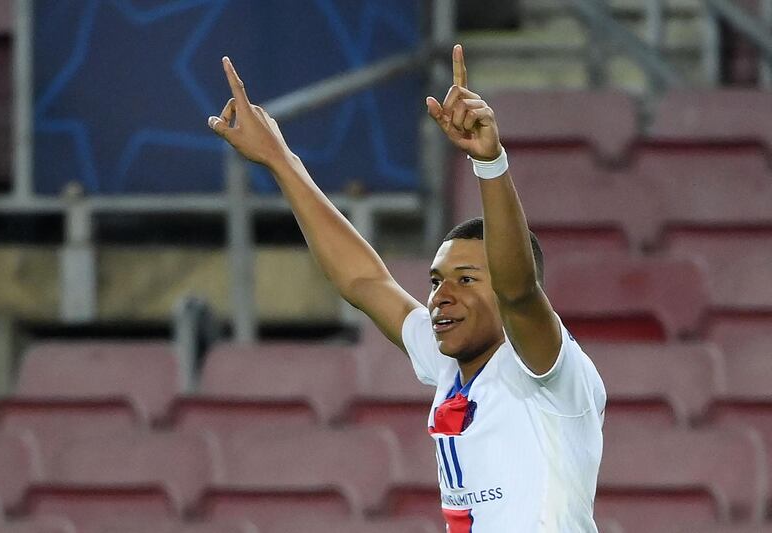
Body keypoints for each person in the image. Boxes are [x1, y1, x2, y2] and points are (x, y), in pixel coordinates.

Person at [208, 44, 606, 532]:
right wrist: (280, 160)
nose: (442, 295)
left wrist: (490, 164)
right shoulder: (449, 366)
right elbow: (364, 280)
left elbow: (519, 293)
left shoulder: (551, 375)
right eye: (437, 281)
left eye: (466, 279)